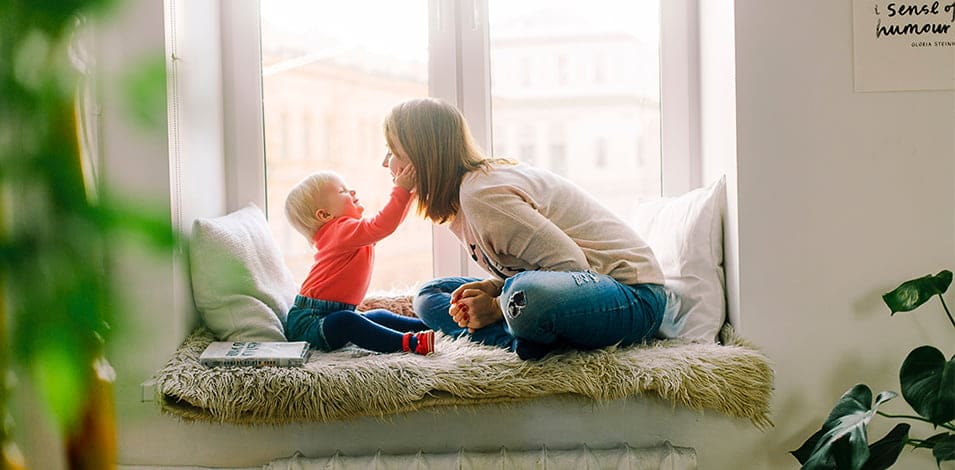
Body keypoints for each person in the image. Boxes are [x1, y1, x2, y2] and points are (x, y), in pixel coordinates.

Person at [381, 97, 668, 360]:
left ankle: (519, 332)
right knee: (431, 295)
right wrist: (495, 289)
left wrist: (495, 306)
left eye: (392, 151)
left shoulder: (482, 195)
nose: (386, 163)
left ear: (422, 157)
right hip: (570, 289)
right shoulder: (461, 201)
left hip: (632, 296)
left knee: (525, 296)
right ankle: (523, 339)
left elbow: (572, 266)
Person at [283, 168, 434, 355]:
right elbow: (383, 224)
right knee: (347, 321)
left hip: (331, 314)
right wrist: (401, 190)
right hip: (309, 323)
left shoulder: (348, 233)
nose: (352, 191)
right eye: (342, 191)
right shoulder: (339, 231)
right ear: (324, 215)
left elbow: (389, 225)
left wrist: (410, 193)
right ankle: (410, 343)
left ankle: (430, 326)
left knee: (378, 315)